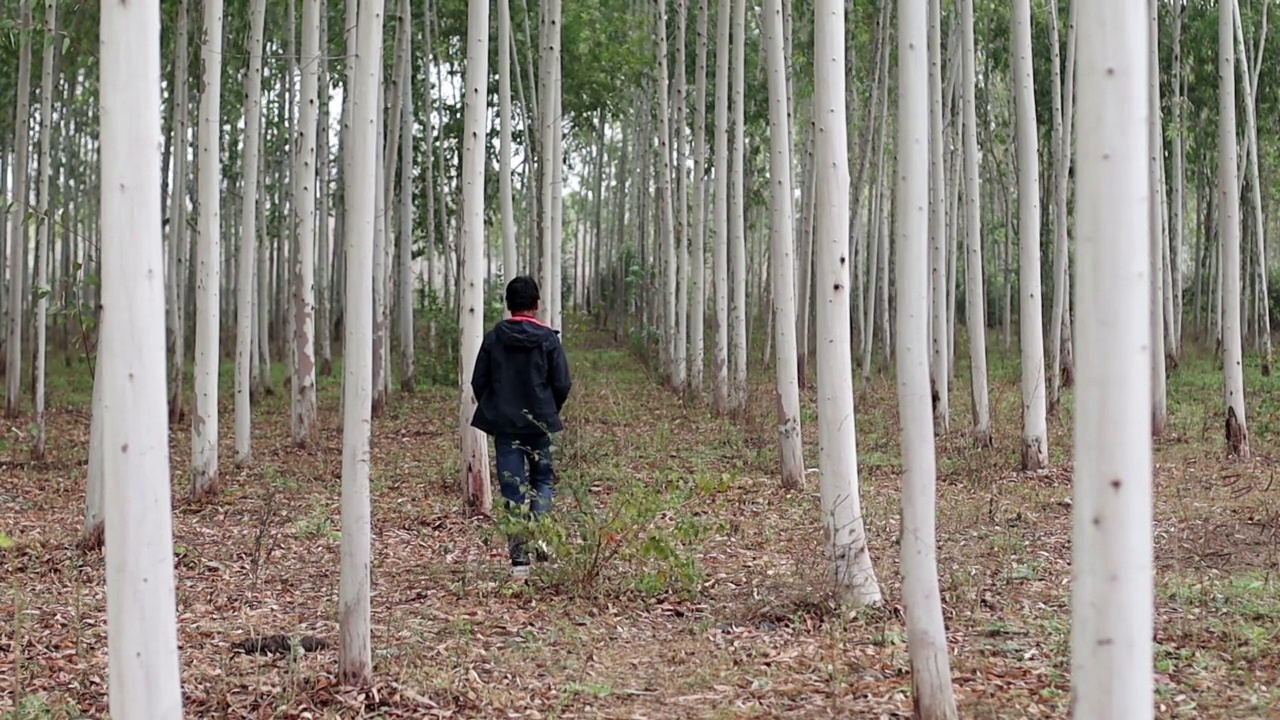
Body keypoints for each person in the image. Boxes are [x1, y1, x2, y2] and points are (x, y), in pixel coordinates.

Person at [469, 276, 572, 578]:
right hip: (540, 425)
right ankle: (540, 537)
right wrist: (549, 410)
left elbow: (478, 382)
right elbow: (562, 383)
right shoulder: (549, 339)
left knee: (512, 489)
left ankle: (519, 562)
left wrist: (496, 408)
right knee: (542, 482)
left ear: (508, 305)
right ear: (536, 305)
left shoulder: (493, 338)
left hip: (506, 428)